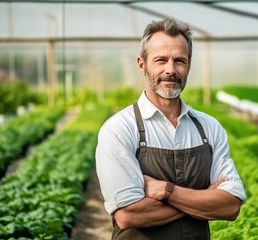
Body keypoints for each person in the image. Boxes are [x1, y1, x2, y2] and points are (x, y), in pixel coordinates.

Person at [96, 18, 246, 240]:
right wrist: (204, 199)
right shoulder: (119, 129)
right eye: (160, 60)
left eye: (179, 61)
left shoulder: (209, 128)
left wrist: (167, 191)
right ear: (141, 65)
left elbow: (230, 206)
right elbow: (127, 215)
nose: (170, 69)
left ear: (189, 65)